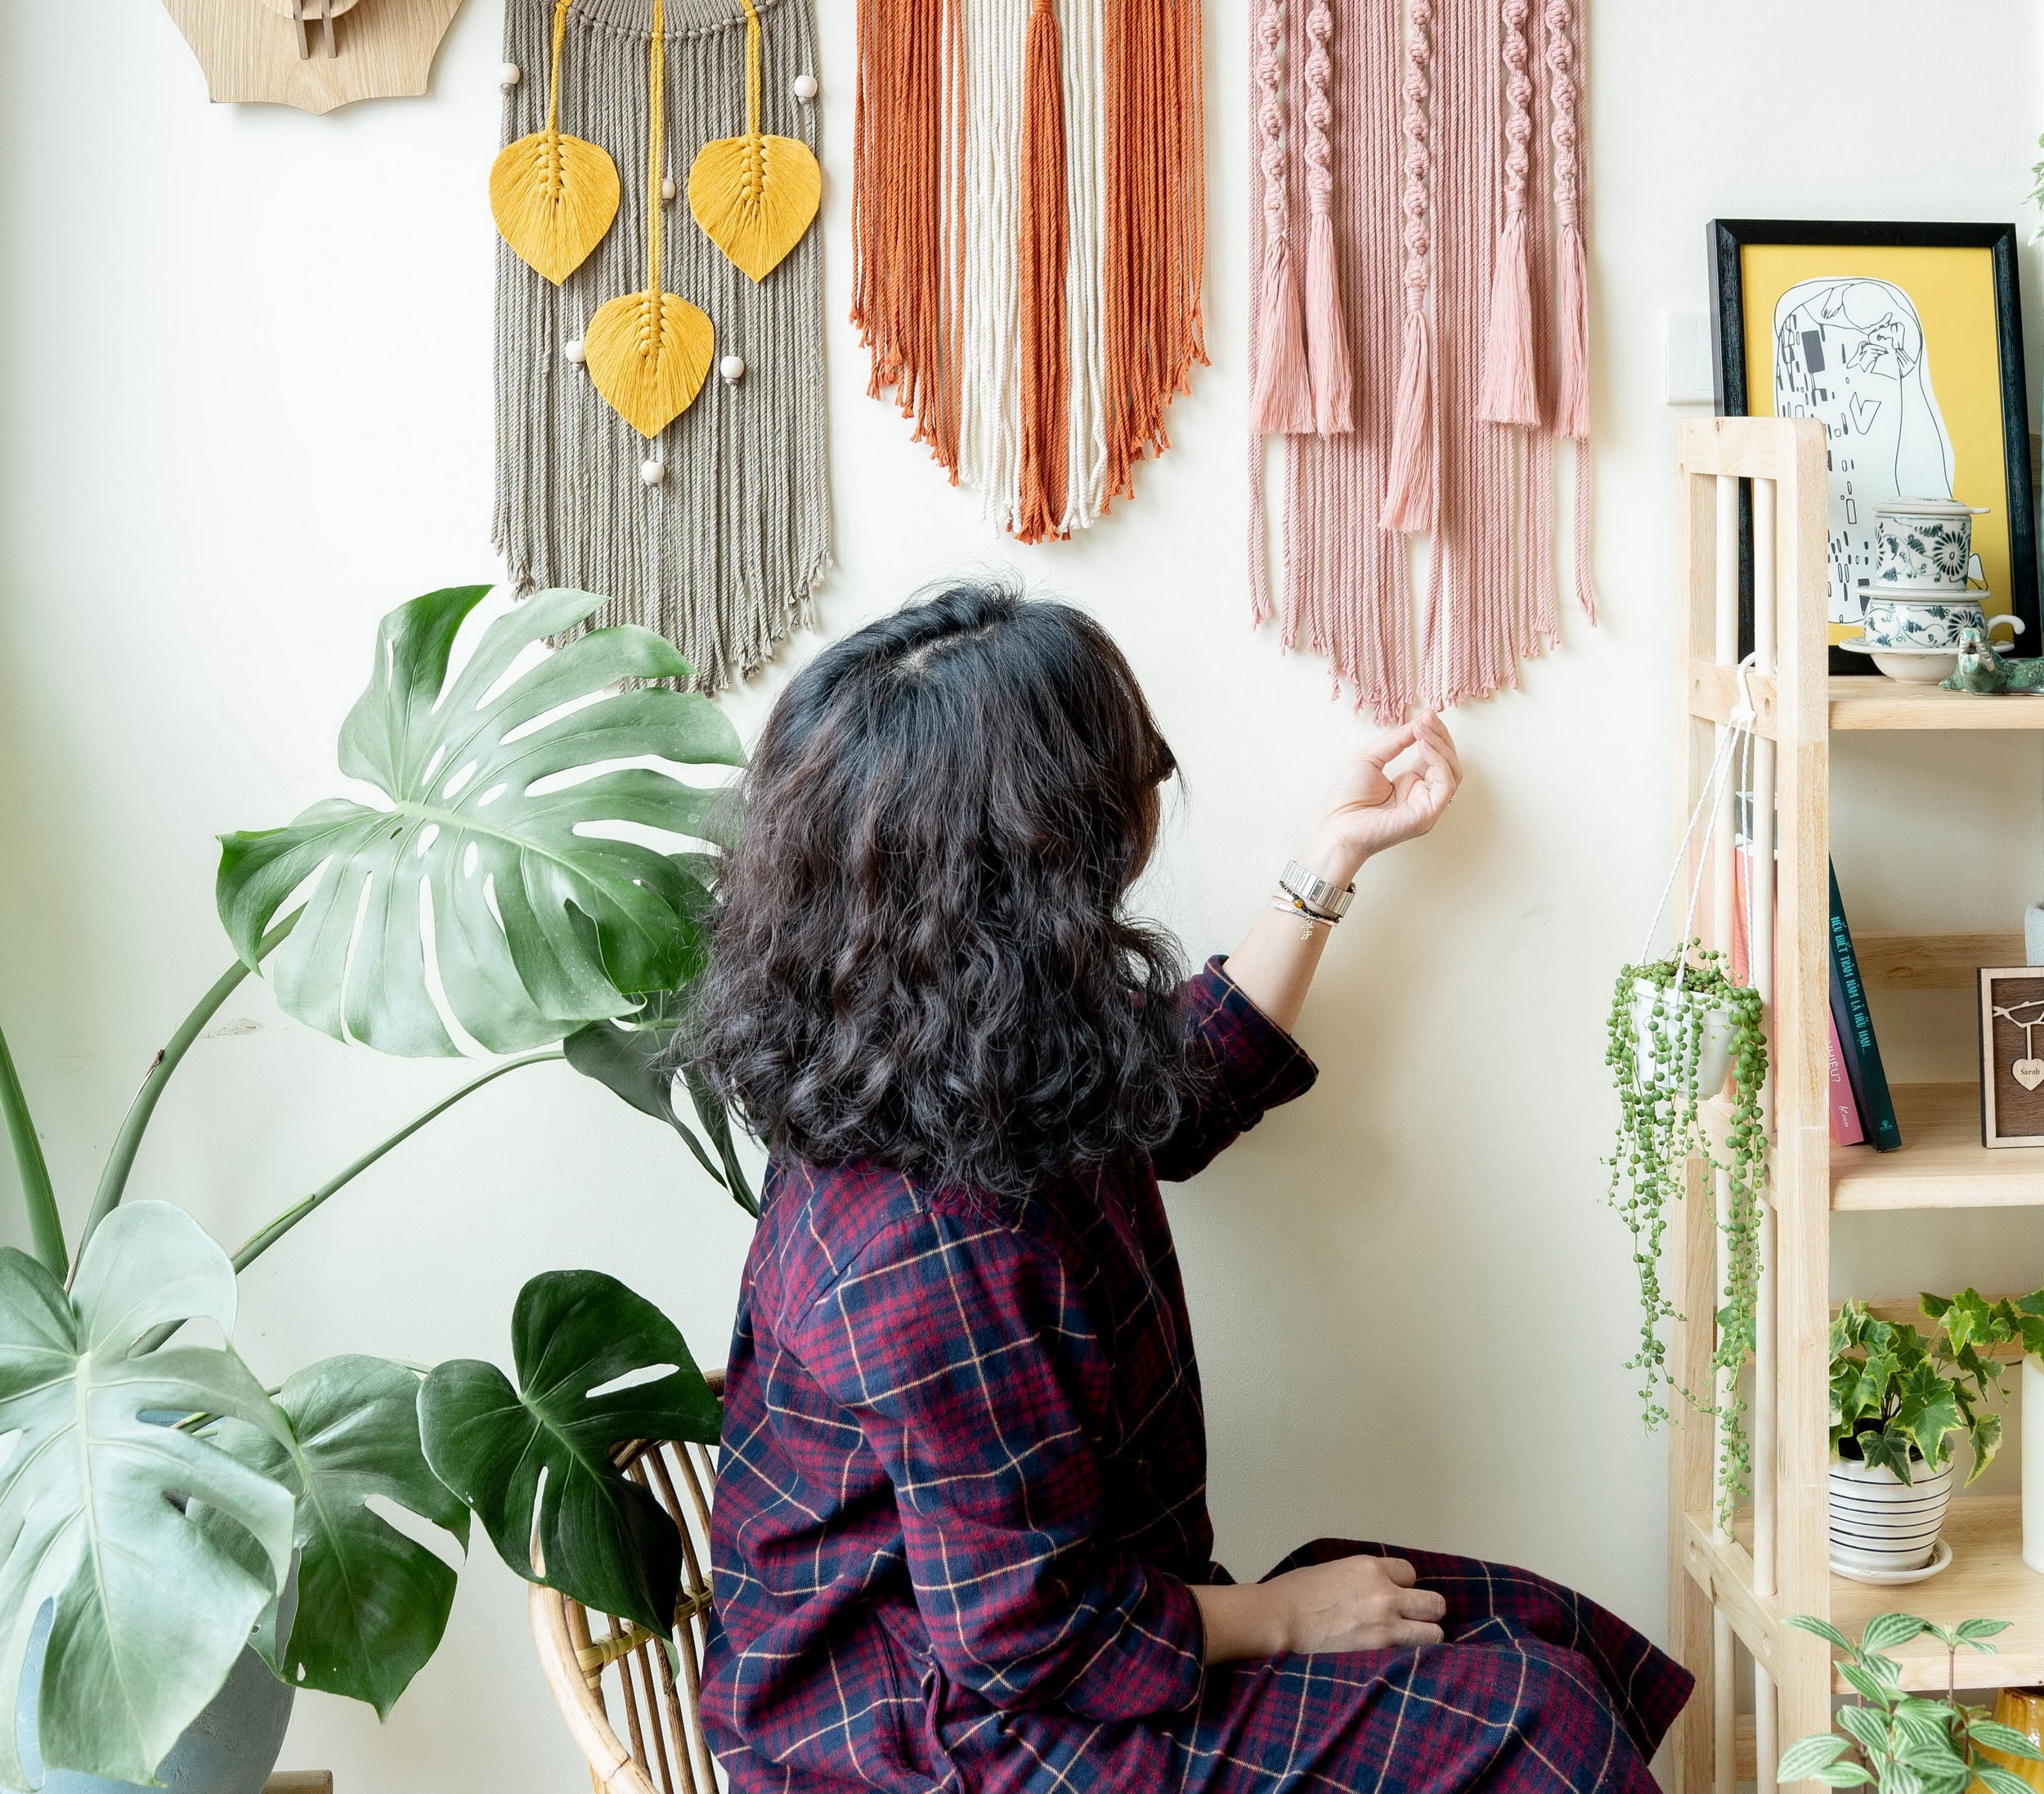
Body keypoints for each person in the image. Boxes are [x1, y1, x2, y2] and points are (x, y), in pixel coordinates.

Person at [689, 585, 1688, 1794]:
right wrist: (1280, 1617)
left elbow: (1182, 1086)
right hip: (925, 1734)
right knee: (1533, 1727)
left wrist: (1330, 858)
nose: (1152, 793)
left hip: (1036, 1641)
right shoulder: (918, 1237)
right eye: (1133, 774)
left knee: (1530, 1635)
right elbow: (1028, 1636)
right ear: (1046, 846)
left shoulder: (960, 1033)